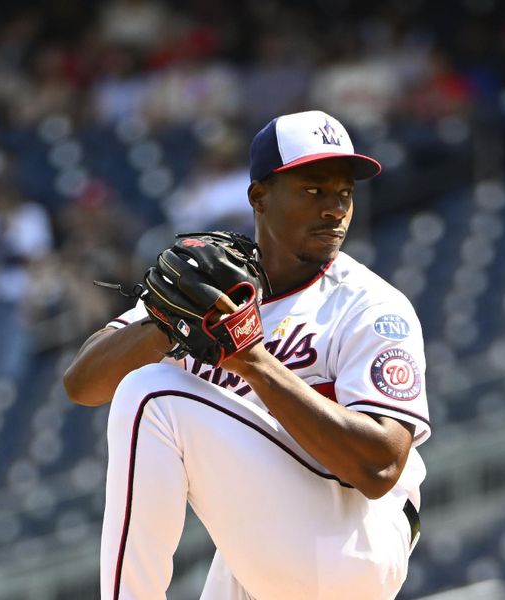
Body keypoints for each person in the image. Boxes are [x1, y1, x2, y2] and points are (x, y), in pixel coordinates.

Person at [63, 110, 431, 600]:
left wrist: (254, 362)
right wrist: (164, 321)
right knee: (142, 385)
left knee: (151, 393)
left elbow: (380, 468)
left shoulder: (370, 305)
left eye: (344, 192)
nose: (334, 208)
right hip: (272, 551)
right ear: (259, 196)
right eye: (313, 190)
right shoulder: (214, 286)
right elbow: (82, 385)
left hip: (354, 539)